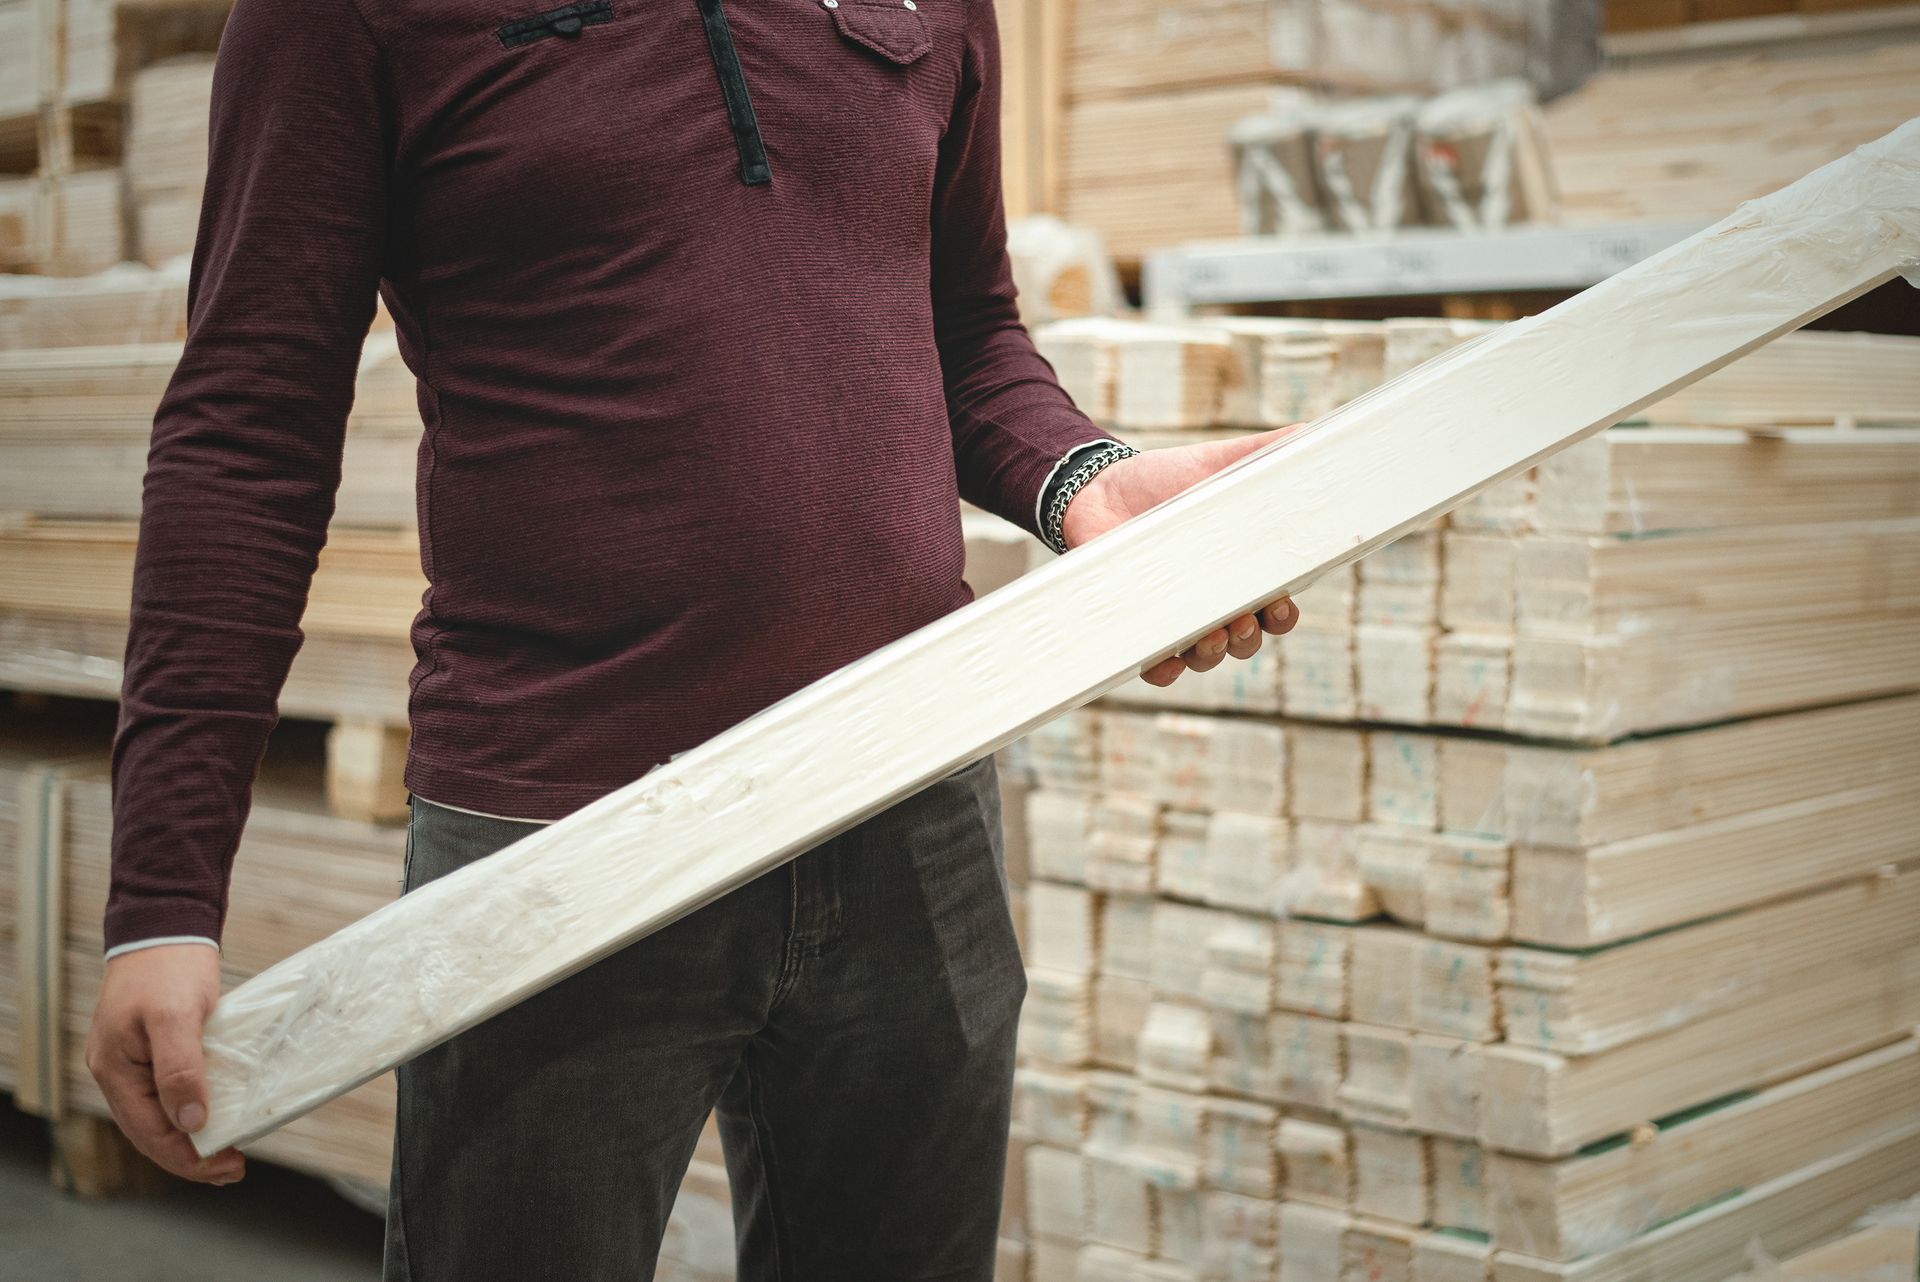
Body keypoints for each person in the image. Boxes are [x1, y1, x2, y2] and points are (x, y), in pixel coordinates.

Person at [83, 0, 1299, 1277]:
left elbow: (967, 329)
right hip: (560, 841)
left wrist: (1085, 479)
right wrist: (163, 900)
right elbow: (248, 433)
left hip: (908, 804)